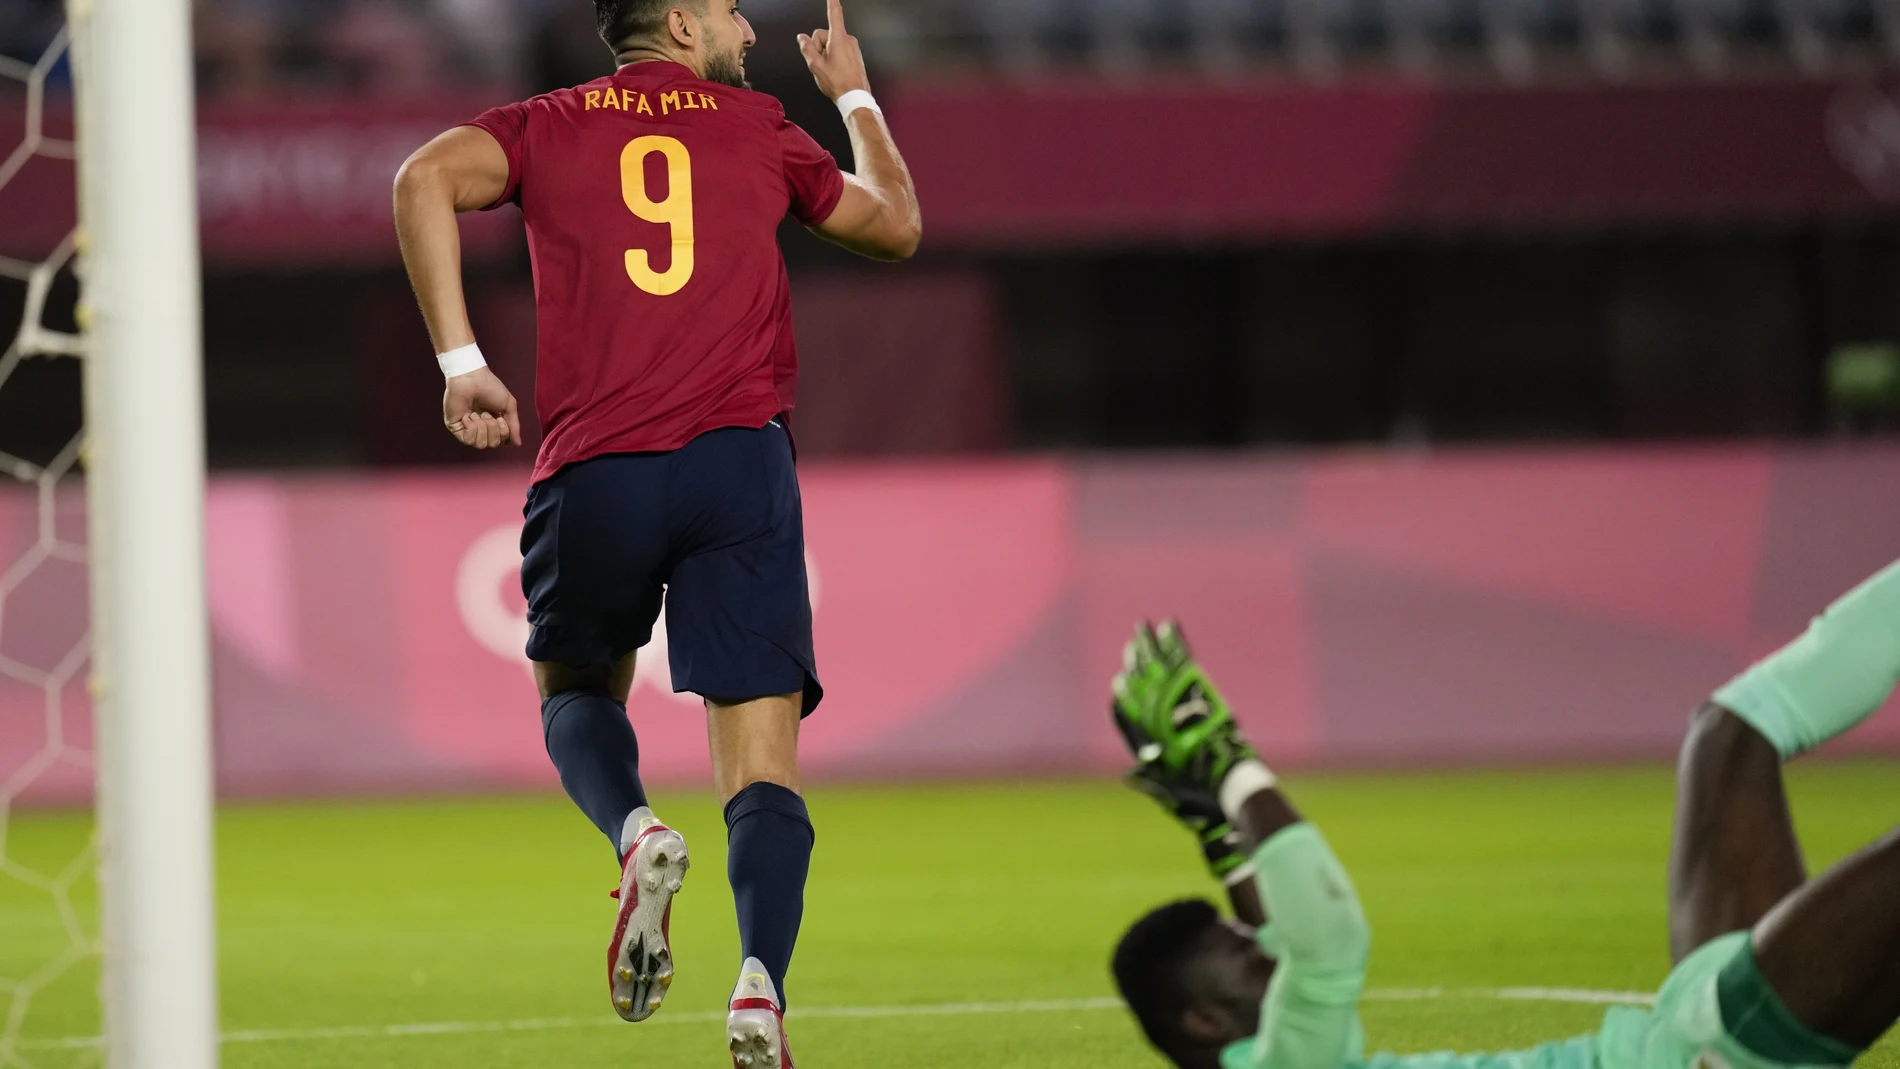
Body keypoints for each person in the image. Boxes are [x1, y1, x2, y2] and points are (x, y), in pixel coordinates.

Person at [391, 2, 920, 1066]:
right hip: (736, 463)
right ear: (680, 22)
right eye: (725, 7)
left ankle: (638, 833)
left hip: (599, 468)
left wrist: (460, 364)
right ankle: (760, 989)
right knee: (763, 759)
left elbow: (419, 181)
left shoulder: (546, 124)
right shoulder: (759, 126)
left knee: (578, 689)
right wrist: (853, 95)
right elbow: (896, 224)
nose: (741, 23)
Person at [1109, 561, 1900, 1069]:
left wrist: (1220, 828)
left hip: (1679, 1030)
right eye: (1244, 954)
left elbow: (1288, 939)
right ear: (1208, 1019)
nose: (1264, 944)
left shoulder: (1278, 1051)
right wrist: (1229, 759)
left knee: (1731, 731)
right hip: (1710, 1053)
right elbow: (1327, 939)